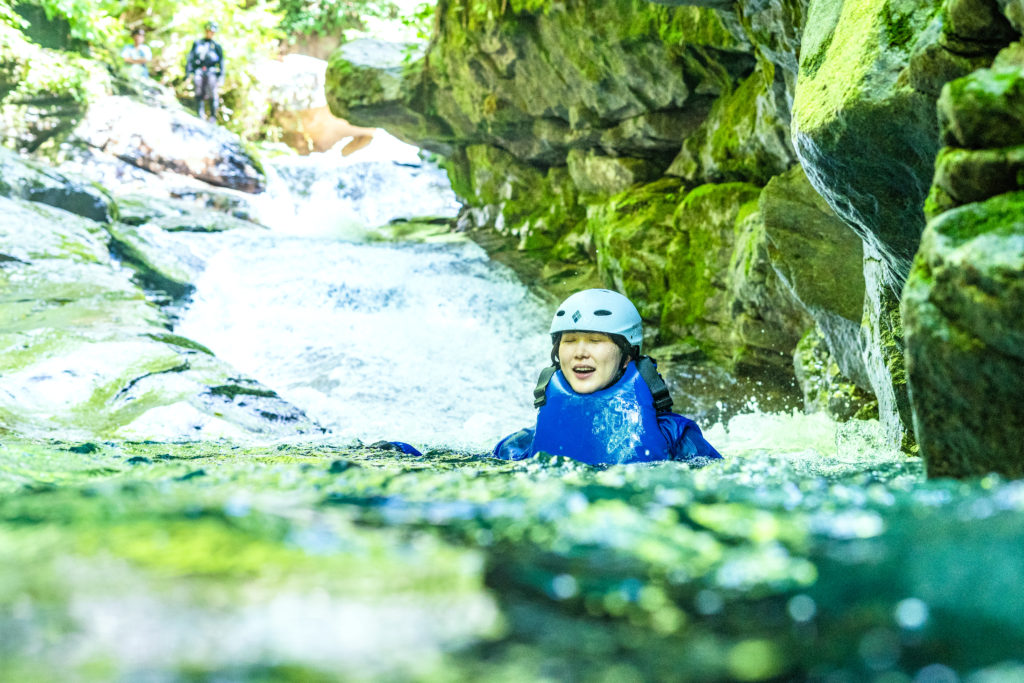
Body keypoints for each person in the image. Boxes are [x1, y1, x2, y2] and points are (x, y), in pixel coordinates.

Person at [493, 288, 722, 465]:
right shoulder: (520, 445)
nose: (580, 353)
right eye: (569, 341)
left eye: (596, 341)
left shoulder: (677, 437)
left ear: (627, 356)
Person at [185, 21, 225, 122]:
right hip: (199, 70)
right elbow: (191, 58)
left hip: (211, 71)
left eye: (212, 32)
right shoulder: (198, 43)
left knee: (212, 93)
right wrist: (188, 73)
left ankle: (212, 116)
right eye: (208, 31)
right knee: (198, 91)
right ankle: (200, 113)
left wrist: (221, 77)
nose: (210, 33)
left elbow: (221, 62)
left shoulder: (217, 46)